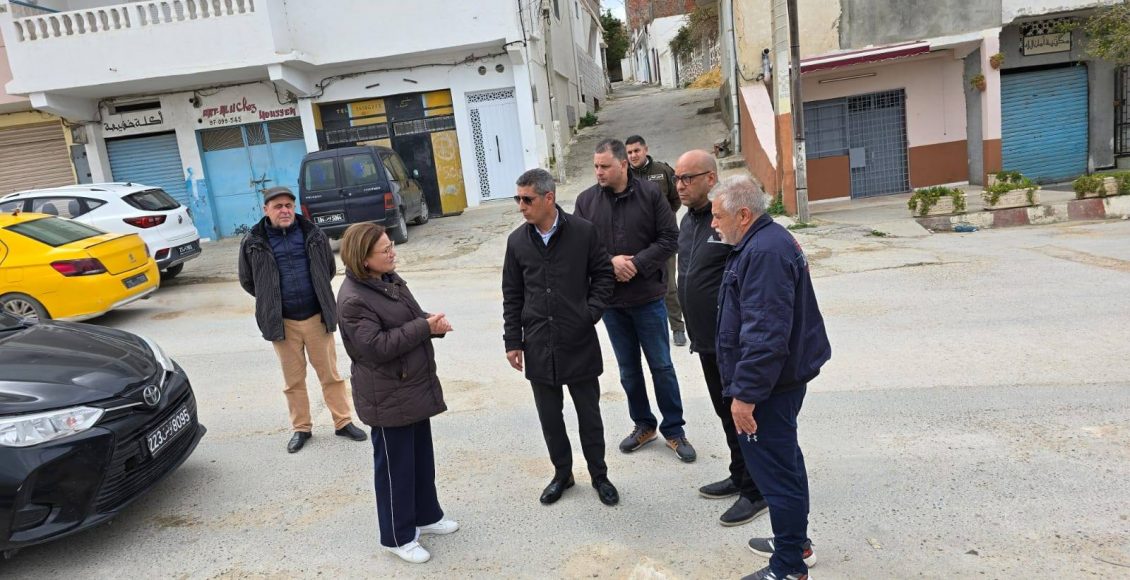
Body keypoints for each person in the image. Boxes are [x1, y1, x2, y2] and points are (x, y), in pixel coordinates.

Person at [711, 175, 831, 580]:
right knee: (786, 463)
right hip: (778, 381)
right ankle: (795, 544)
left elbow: (765, 334)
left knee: (777, 476)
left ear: (743, 215)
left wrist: (745, 395)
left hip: (769, 388)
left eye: (718, 216)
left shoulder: (763, 252)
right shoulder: (764, 241)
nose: (713, 223)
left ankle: (789, 567)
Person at [335, 223, 459, 564]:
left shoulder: (388, 279)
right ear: (363, 258)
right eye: (385, 250)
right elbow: (376, 346)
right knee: (395, 470)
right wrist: (423, 327)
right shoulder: (353, 298)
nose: (393, 253)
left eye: (391, 246)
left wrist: (432, 324)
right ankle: (397, 536)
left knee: (420, 460)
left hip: (411, 386)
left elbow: (411, 317)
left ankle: (426, 515)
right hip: (387, 393)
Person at [502, 168, 619, 506]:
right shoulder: (517, 242)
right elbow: (512, 294)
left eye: (527, 199)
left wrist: (589, 313)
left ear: (549, 197)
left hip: (578, 340)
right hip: (539, 343)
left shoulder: (583, 232)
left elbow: (603, 276)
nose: (521, 206)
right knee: (550, 418)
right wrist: (513, 341)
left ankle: (599, 475)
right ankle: (562, 474)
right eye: (518, 199)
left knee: (589, 416)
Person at [573, 139, 695, 463]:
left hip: (648, 298)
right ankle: (644, 425)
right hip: (611, 303)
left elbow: (670, 239)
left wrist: (637, 264)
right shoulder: (586, 202)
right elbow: (578, 249)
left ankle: (674, 429)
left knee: (662, 366)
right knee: (628, 371)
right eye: (595, 166)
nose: (599, 172)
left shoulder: (651, 194)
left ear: (623, 165)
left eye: (605, 166)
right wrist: (610, 263)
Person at [673, 151, 768, 527]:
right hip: (706, 341)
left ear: (710, 178)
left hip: (733, 342)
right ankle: (739, 475)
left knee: (744, 415)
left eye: (687, 178)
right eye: (677, 179)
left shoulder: (729, 221)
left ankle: (757, 491)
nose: (680, 186)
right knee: (724, 413)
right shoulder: (688, 221)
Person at [238, 186, 367, 453]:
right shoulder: (253, 242)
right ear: (266, 210)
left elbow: (328, 270)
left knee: (330, 375)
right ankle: (302, 428)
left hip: (316, 317)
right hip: (282, 322)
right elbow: (248, 281)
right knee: (293, 381)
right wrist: (272, 300)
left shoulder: (313, 234)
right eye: (278, 207)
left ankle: (343, 422)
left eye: (288, 205)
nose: (285, 210)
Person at [626, 135, 685, 347]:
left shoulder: (662, 171)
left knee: (669, 286)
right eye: (629, 152)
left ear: (645, 150)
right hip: (637, 240)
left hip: (664, 238)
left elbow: (676, 198)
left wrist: (663, 219)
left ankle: (677, 327)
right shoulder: (624, 175)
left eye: (637, 151)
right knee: (640, 286)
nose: (633, 155)